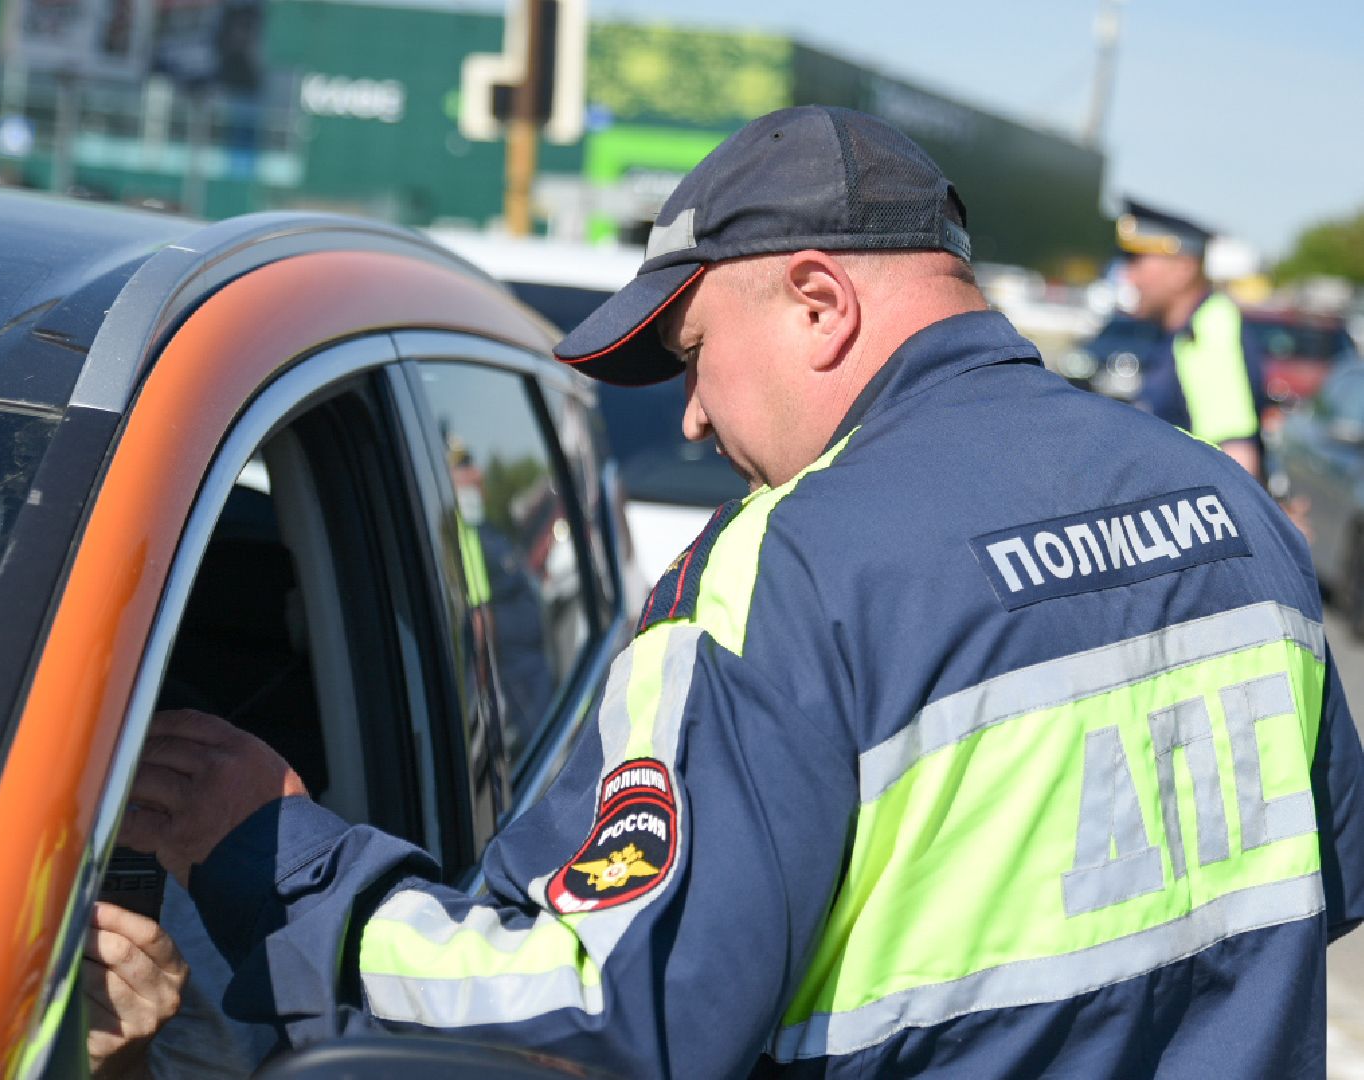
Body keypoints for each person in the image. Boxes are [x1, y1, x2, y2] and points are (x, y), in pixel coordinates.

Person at [120, 107, 1364, 1077]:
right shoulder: (1227, 507)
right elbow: (1326, 889)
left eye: (696, 353)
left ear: (819, 300)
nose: (700, 414)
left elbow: (599, 1008)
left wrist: (274, 859)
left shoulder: (791, 566)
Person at [1117, 198, 1269, 479]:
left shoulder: (1211, 326)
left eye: (1136, 261)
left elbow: (1235, 458)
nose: (1128, 276)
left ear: (1183, 269)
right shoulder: (1178, 330)